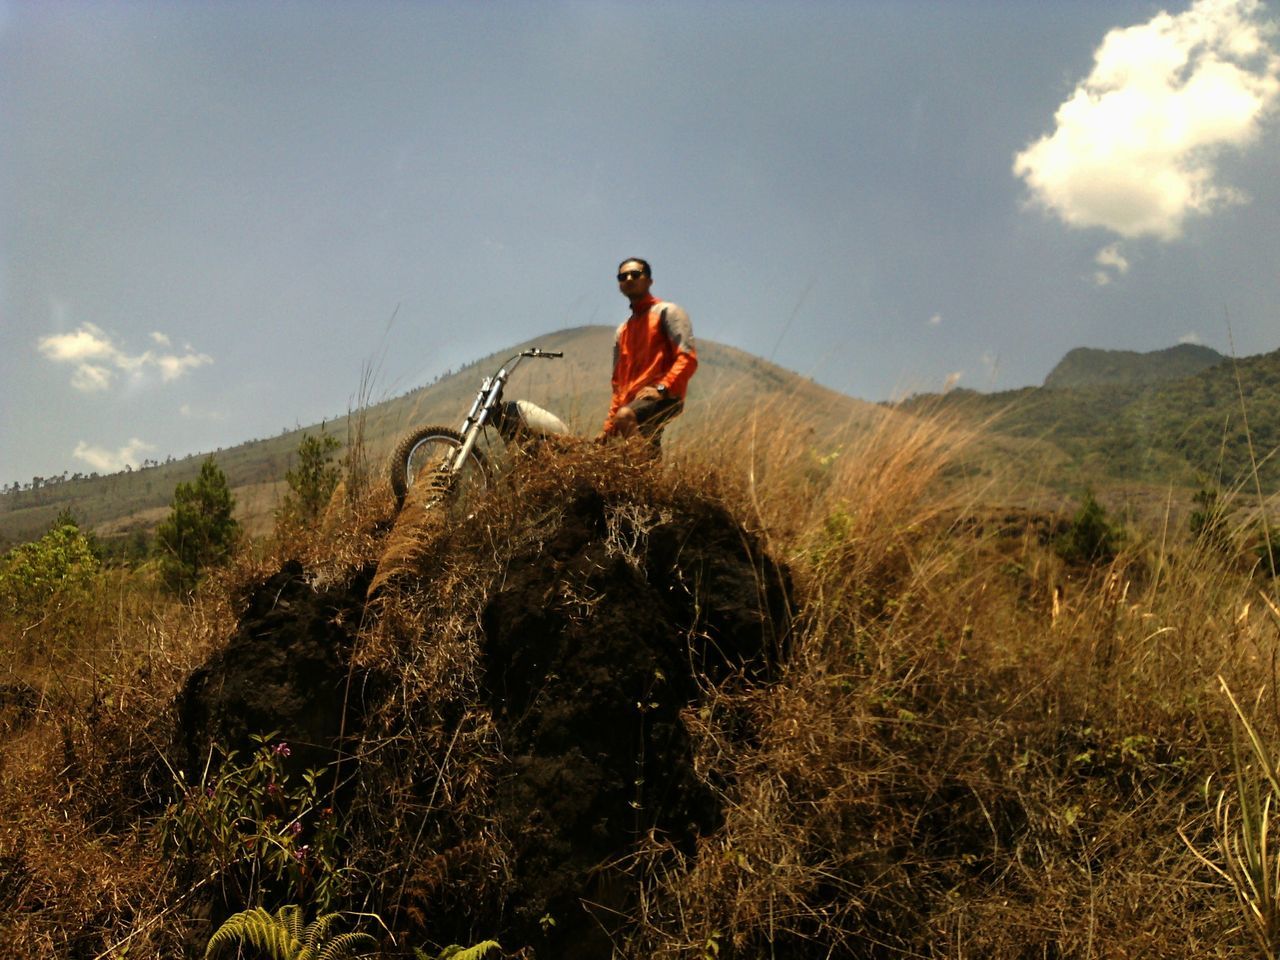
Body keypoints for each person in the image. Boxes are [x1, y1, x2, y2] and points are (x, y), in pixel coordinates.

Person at [598, 257, 698, 445]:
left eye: (635, 274)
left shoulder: (667, 312)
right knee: (646, 443)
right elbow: (618, 384)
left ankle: (641, 471)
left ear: (649, 281)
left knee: (626, 417)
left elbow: (687, 358)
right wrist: (609, 426)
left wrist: (662, 388)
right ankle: (650, 472)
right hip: (634, 403)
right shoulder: (622, 332)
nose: (628, 279)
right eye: (622, 276)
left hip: (664, 395)